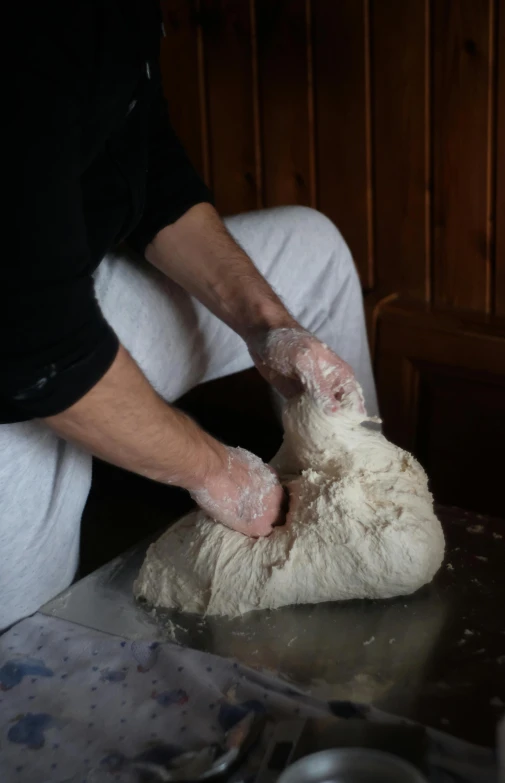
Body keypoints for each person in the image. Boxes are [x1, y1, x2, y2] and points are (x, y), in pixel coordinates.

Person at [1, 0, 378, 631]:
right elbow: (34, 346)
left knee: (313, 252)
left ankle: (358, 493)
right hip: (19, 342)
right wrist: (219, 473)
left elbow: (151, 172)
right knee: (22, 636)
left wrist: (268, 325)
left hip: (55, 284)